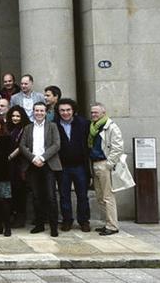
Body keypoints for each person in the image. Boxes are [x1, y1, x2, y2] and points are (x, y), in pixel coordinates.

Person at [18, 102, 61, 237]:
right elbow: (22, 146)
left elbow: (56, 144)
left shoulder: (52, 126)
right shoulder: (28, 128)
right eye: (36, 111)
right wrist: (33, 159)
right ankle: (39, 224)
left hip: (48, 164)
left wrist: (42, 158)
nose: (39, 113)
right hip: (32, 166)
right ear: (33, 112)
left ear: (46, 112)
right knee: (36, 197)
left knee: (50, 196)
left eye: (42, 111)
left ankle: (54, 227)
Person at [55, 98, 90, 232]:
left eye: (68, 110)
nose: (65, 113)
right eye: (62, 110)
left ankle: (84, 221)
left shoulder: (83, 123)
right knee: (64, 195)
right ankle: (67, 220)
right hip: (63, 166)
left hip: (80, 166)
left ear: (73, 110)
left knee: (82, 195)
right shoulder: (54, 125)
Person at [89, 103, 123, 236]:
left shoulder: (111, 127)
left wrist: (109, 164)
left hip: (104, 164)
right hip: (94, 163)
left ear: (103, 113)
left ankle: (113, 226)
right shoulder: (93, 127)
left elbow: (118, 147)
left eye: (96, 112)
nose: (93, 115)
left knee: (108, 196)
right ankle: (107, 223)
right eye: (92, 112)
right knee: (100, 196)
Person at [6, 105, 29, 227]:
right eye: (13, 116)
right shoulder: (9, 128)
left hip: (19, 163)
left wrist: (10, 156)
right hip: (9, 165)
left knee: (20, 191)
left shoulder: (25, 128)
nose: (15, 118)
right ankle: (12, 215)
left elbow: (22, 146)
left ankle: (21, 217)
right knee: (11, 191)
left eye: (18, 116)